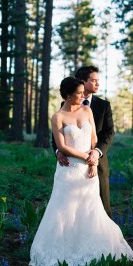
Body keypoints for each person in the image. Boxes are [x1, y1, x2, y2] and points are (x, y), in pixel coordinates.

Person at [30, 77, 133, 266]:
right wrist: (87, 157)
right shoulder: (58, 117)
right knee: (66, 210)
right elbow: (62, 146)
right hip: (69, 170)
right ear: (68, 95)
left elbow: (94, 138)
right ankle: (62, 250)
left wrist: (93, 159)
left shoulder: (87, 110)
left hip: (88, 169)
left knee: (90, 209)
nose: (83, 95)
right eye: (78, 93)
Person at [52, 65, 115, 217]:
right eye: (93, 80)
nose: (97, 84)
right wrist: (58, 151)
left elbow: (108, 132)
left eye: (98, 80)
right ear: (82, 82)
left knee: (102, 209)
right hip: (71, 165)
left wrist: (95, 154)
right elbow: (57, 135)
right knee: (71, 209)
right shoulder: (65, 107)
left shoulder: (103, 105)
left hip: (96, 163)